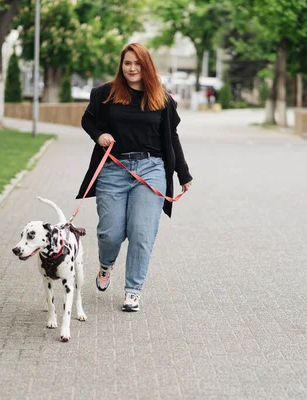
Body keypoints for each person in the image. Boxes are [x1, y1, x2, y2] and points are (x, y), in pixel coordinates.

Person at [77, 42, 193, 312]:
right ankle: (106, 264)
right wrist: (99, 135)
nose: (132, 68)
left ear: (146, 66)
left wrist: (183, 173)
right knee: (110, 233)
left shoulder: (161, 99)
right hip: (113, 170)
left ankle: (133, 291)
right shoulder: (105, 94)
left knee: (142, 232)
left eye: (137, 63)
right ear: (122, 65)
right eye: (127, 63)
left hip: (151, 170)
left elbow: (171, 137)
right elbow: (88, 120)